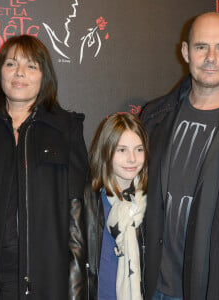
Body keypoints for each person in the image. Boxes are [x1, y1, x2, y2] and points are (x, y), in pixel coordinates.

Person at [0, 35, 88, 300]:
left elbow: (77, 224)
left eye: (31, 66)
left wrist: (75, 292)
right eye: (11, 64)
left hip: (46, 283)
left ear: (44, 76)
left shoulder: (66, 129)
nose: (19, 73)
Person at [141, 12, 219, 300]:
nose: (211, 57)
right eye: (201, 46)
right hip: (156, 288)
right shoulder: (154, 118)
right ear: (185, 52)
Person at [84, 113, 149, 300]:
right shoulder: (88, 199)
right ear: (106, 151)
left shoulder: (148, 202)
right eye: (122, 150)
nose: (132, 159)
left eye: (139, 149)